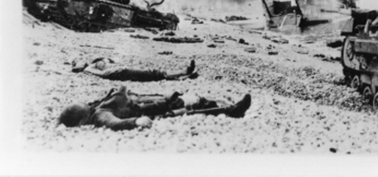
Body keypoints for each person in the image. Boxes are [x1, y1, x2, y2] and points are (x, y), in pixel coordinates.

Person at [58, 86, 252, 131]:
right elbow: (115, 123)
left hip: (146, 104)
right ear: (83, 119)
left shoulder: (96, 108)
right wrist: (135, 122)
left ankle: (216, 105)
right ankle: (231, 111)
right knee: (187, 109)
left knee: (186, 100)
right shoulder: (101, 115)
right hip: (151, 111)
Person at [71, 57, 199, 81]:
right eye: (78, 61)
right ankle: (183, 72)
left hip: (119, 72)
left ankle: (183, 76)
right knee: (151, 73)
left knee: (151, 75)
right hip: (120, 72)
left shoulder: (91, 67)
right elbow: (106, 61)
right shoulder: (88, 69)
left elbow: (108, 61)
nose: (82, 60)